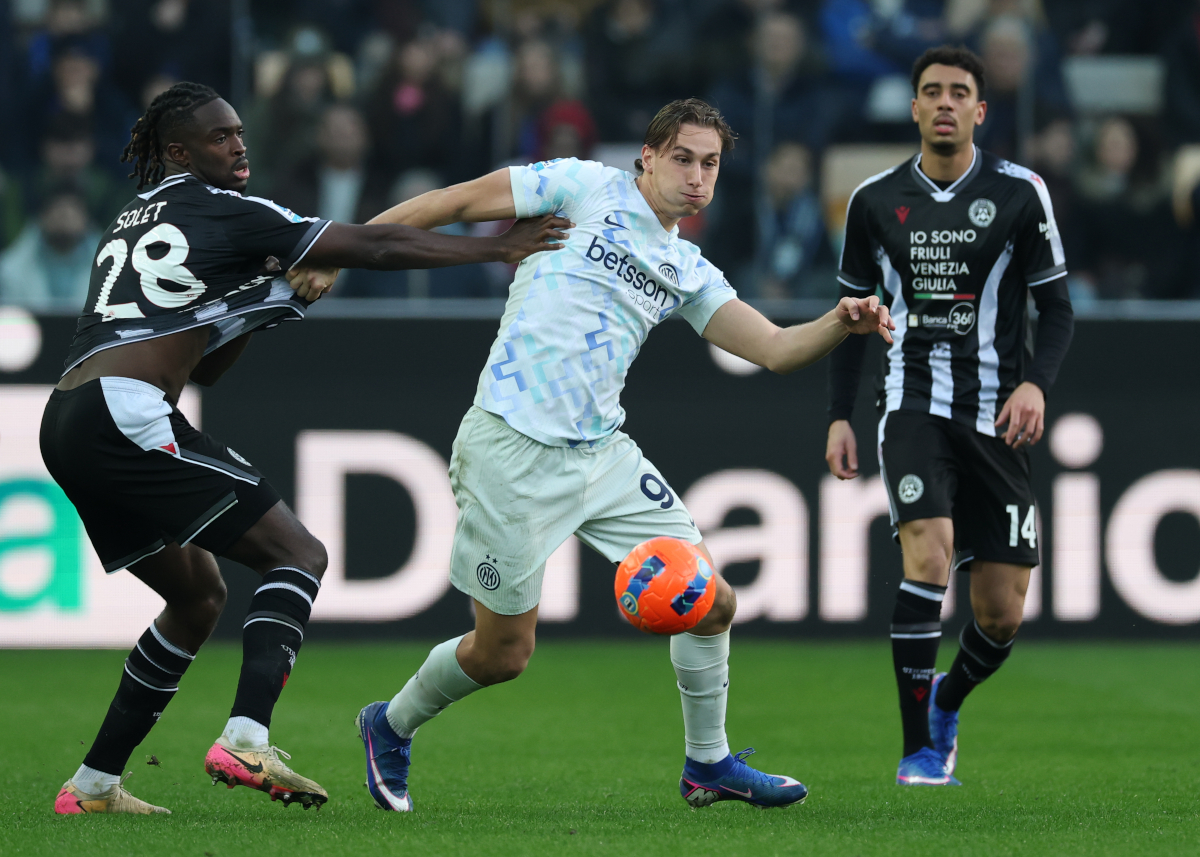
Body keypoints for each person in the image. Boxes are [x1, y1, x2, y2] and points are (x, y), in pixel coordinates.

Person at [330, 98, 894, 812]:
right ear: (648, 157)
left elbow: (777, 350)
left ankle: (708, 764)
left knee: (712, 600)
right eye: (683, 158)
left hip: (601, 455)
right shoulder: (583, 185)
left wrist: (840, 321)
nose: (696, 176)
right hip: (510, 446)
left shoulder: (686, 267)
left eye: (710, 163)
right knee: (502, 654)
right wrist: (335, 250)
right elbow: (455, 200)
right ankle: (391, 722)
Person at [44, 81, 569, 816]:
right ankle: (246, 735)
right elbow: (377, 242)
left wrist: (266, 302)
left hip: (68, 416)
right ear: (177, 151)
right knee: (299, 553)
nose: (238, 144)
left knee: (196, 599)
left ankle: (94, 785)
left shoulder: (132, 220)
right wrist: (497, 246)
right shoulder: (227, 209)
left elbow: (202, 363)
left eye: (239, 132)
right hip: (125, 412)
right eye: (220, 135)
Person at [824, 46, 1074, 786]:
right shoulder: (873, 201)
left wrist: (1036, 386)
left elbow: (1056, 307)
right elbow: (851, 316)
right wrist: (840, 414)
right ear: (912, 107)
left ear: (979, 110)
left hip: (997, 414)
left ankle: (946, 699)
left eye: (958, 93)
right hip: (910, 402)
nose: (943, 103)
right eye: (930, 91)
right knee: (928, 556)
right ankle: (919, 753)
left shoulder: (1021, 191)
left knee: (1000, 613)